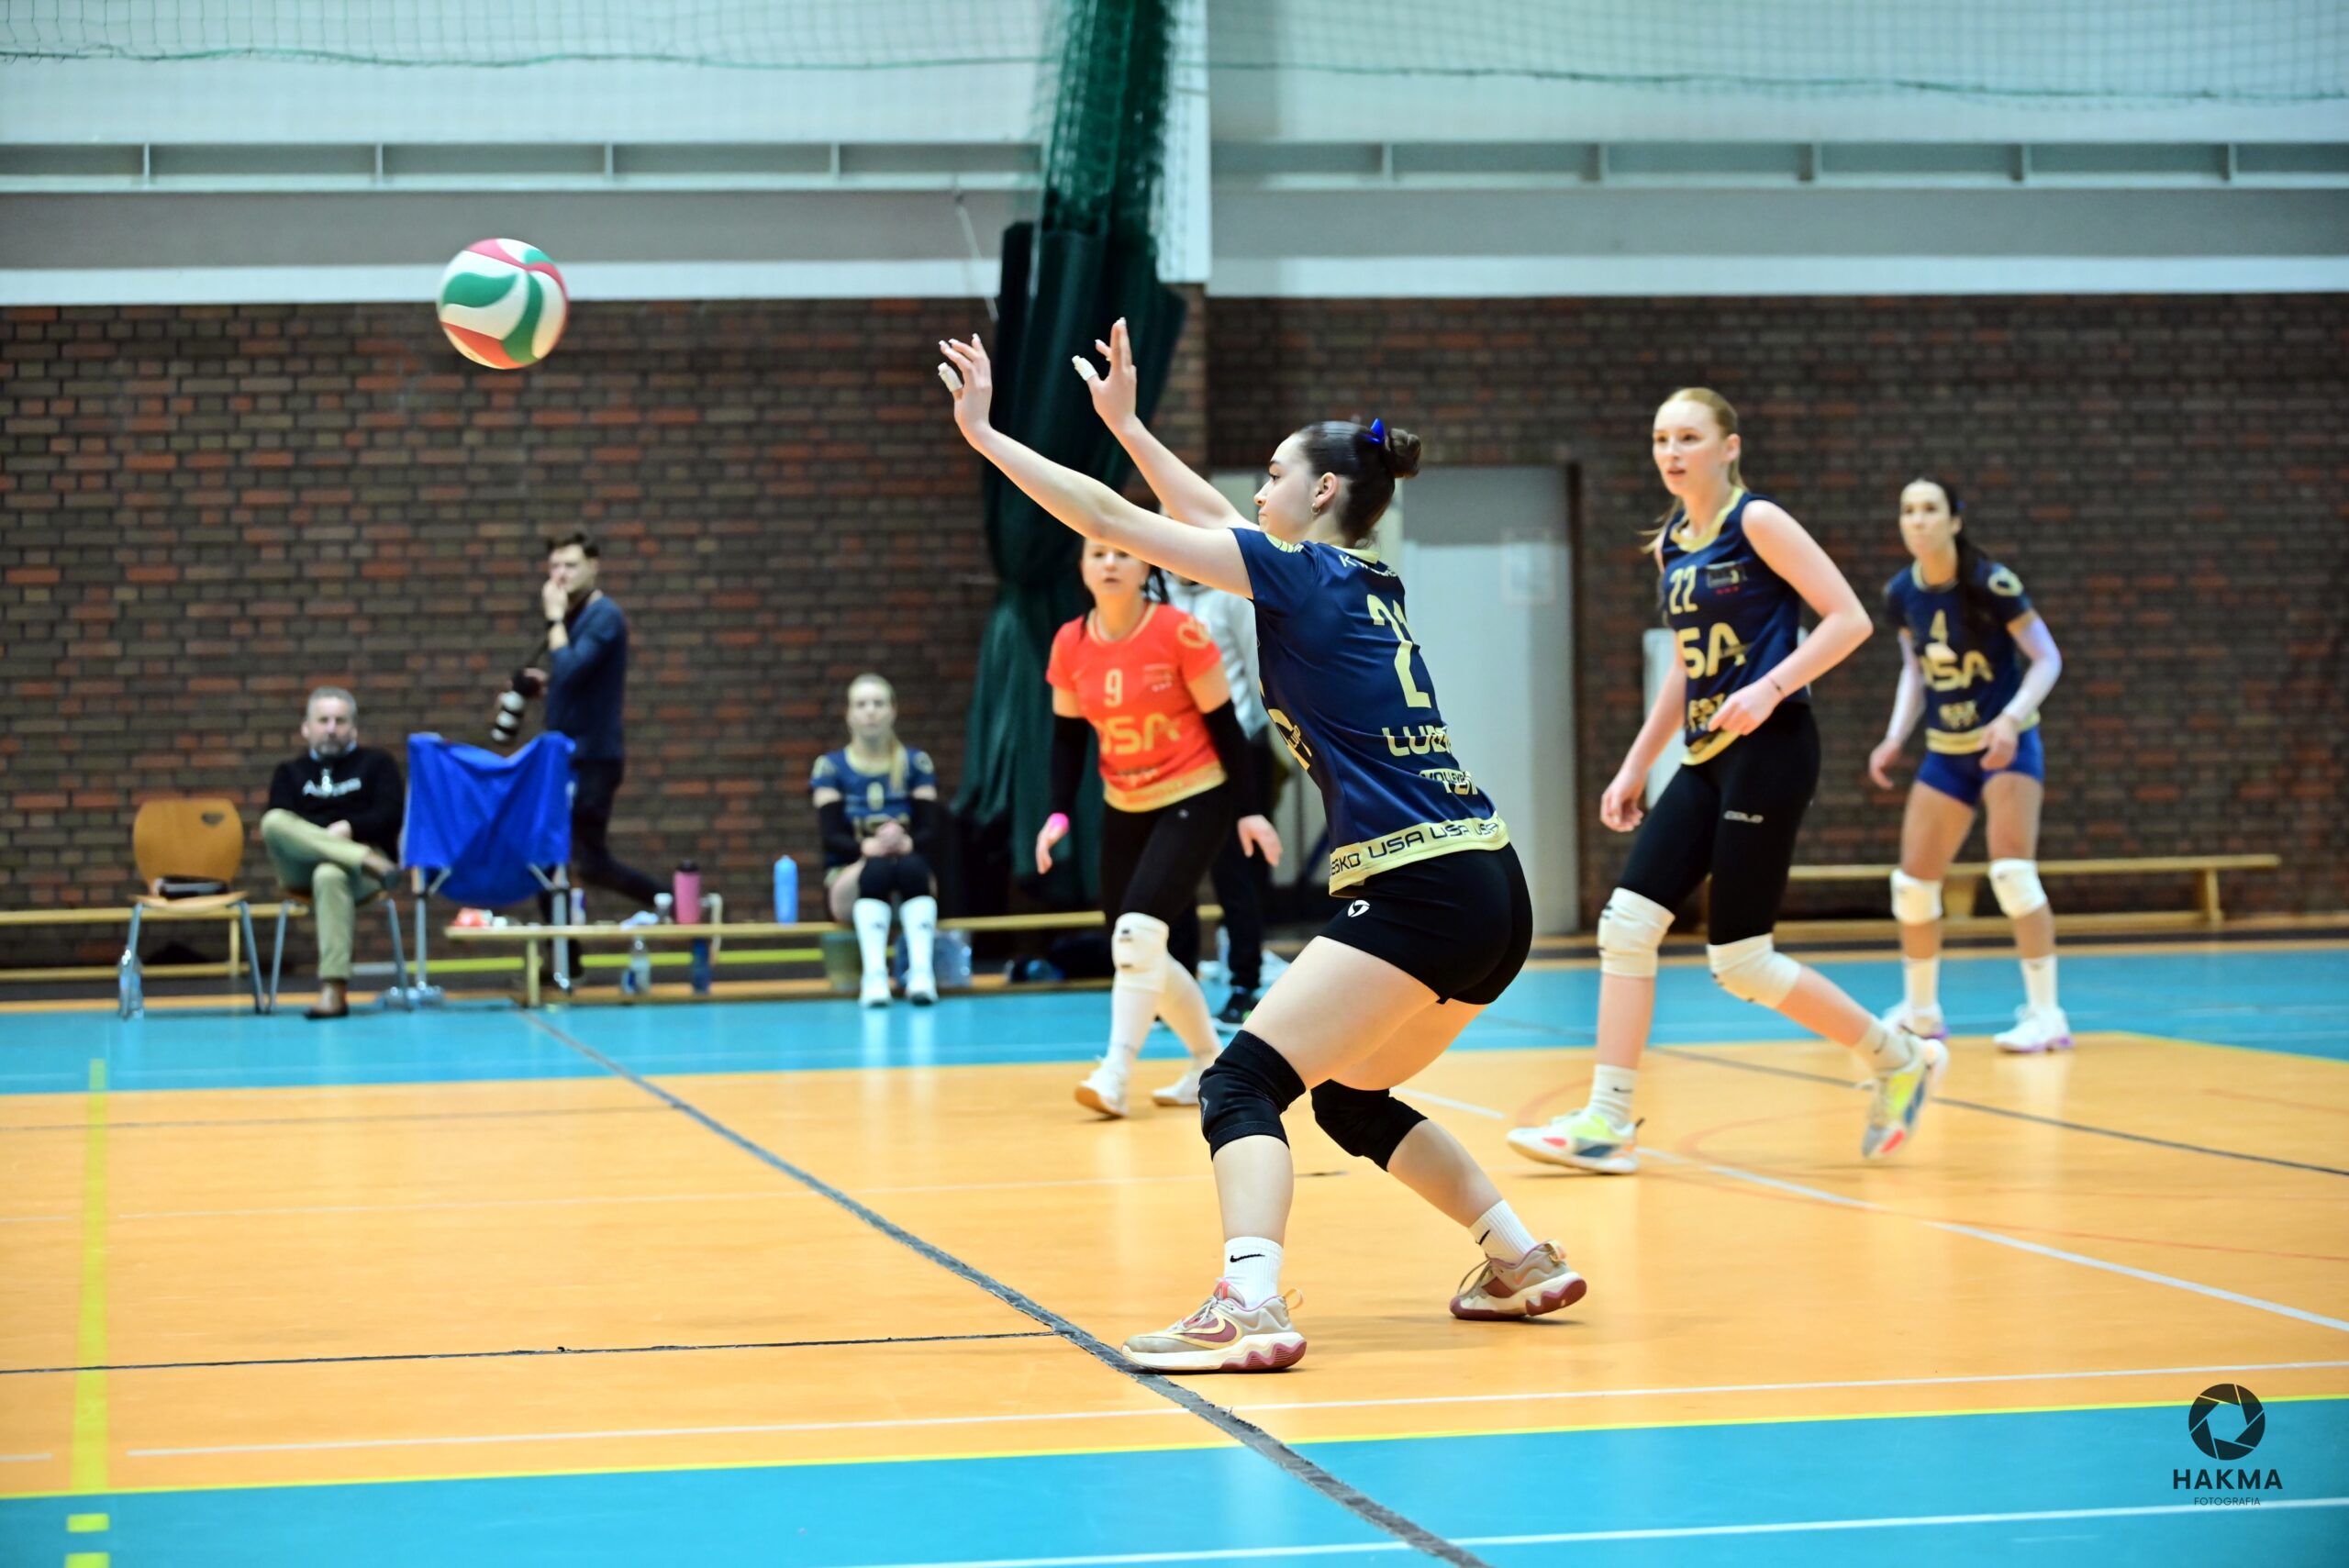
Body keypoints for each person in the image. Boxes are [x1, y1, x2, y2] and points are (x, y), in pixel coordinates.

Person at [939, 319, 1583, 1374]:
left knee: (1238, 1082)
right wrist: (1128, 425)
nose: (1256, 489)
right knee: (1349, 1094)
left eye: (1274, 473)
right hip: (1489, 885)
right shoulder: (1361, 577)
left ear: (1320, 490)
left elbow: (1112, 519)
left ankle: (1249, 1302)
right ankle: (1517, 1255)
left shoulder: (1294, 574)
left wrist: (986, 436)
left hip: (1418, 886)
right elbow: (1204, 515)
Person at [1508, 388, 1948, 1176]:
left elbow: (1849, 619)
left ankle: (1898, 1055)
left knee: (1741, 958)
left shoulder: (1759, 521)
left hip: (1772, 747)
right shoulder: (1673, 543)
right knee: (1627, 925)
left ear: (1729, 446)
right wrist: (1636, 762)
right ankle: (1607, 1121)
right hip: (1706, 751)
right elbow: (1685, 666)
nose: (1672, 452)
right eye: (1661, 438)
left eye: (1689, 437)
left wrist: (1770, 688)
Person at [1039, 541, 1278, 1118]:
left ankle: (1115, 1072)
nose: (1110, 564)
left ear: (1146, 564)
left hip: (1197, 793)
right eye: (1098, 554)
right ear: (1081, 567)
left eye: (1123, 553)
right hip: (1124, 801)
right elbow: (1067, 740)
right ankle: (1208, 1063)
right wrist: (1058, 813)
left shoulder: (1179, 632)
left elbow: (1227, 727)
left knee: (1136, 936)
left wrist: (1248, 809)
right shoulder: (1070, 642)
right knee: (1137, 946)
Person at [1869, 479, 2068, 1052]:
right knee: (1912, 886)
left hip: (2007, 745)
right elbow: (1915, 671)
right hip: (1946, 749)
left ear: (1955, 521)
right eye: (1908, 510)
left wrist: (2010, 719)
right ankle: (1922, 1013)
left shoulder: (1991, 582)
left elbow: (2047, 658)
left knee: (2012, 875)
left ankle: (2047, 1015)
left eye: (1930, 509)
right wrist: (1894, 737)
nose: (1918, 520)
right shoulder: (1900, 593)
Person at [525, 532, 663, 948]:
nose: (560, 575)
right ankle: (564, 958)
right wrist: (544, 686)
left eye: (571, 565)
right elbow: (574, 680)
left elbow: (571, 668)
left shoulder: (604, 616)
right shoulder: (578, 615)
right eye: (555, 566)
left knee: (587, 860)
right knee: (549, 858)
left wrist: (553, 620)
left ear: (594, 566)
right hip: (566, 757)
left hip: (593, 757)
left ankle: (677, 901)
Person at [1163, 567, 1277, 1024]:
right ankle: (1179, 986)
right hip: (1174, 757)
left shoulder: (1230, 595)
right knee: (1174, 872)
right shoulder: (1155, 596)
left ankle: (1244, 983)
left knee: (1236, 873)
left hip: (1233, 751)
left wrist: (1241, 745)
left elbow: (1258, 674)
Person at [260, 686, 403, 1019]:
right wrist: (339, 845)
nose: (331, 728)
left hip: (359, 875)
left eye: (340, 721)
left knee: (329, 874)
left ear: (354, 728)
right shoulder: (289, 772)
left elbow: (390, 815)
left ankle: (334, 990)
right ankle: (361, 857)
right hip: (306, 864)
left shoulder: (377, 764)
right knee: (273, 821)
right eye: (323, 720)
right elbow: (282, 829)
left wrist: (350, 828)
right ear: (306, 728)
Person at [810, 673, 942, 1007]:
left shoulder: (916, 763)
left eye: (878, 703)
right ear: (849, 714)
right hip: (850, 874)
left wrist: (907, 842)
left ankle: (921, 974)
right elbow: (830, 837)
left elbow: (932, 830)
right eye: (862, 704)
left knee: (911, 867)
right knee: (877, 870)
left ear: (893, 711)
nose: (870, 711)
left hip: (907, 868)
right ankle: (874, 976)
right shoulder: (830, 768)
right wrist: (867, 848)